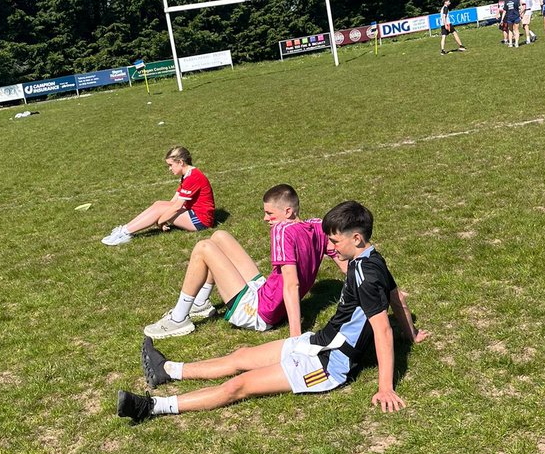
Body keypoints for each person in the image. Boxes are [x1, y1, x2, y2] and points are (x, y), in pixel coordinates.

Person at [118, 201, 428, 422]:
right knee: (240, 356)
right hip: (317, 342)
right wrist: (411, 336)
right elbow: (396, 298)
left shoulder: (366, 275)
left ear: (356, 238)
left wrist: (385, 387)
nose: (332, 247)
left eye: (335, 241)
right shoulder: (373, 259)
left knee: (239, 385)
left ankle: (153, 407)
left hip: (326, 365)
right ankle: (168, 370)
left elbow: (382, 330)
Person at [142, 184, 341, 340]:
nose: (265, 218)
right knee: (219, 236)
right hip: (267, 294)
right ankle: (201, 303)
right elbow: (339, 255)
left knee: (203, 248)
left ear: (288, 212)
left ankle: (179, 318)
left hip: (259, 312)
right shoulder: (317, 226)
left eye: (270, 213)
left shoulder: (281, 231)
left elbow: (292, 284)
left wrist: (295, 336)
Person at [102, 146, 215, 246]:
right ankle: (124, 230)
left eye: (170, 165)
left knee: (161, 208)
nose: (169, 169)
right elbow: (174, 201)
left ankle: (124, 234)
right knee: (158, 204)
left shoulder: (192, 177)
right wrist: (163, 217)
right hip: (192, 212)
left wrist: (160, 220)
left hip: (201, 220)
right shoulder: (187, 175)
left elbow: (176, 207)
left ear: (181, 162)